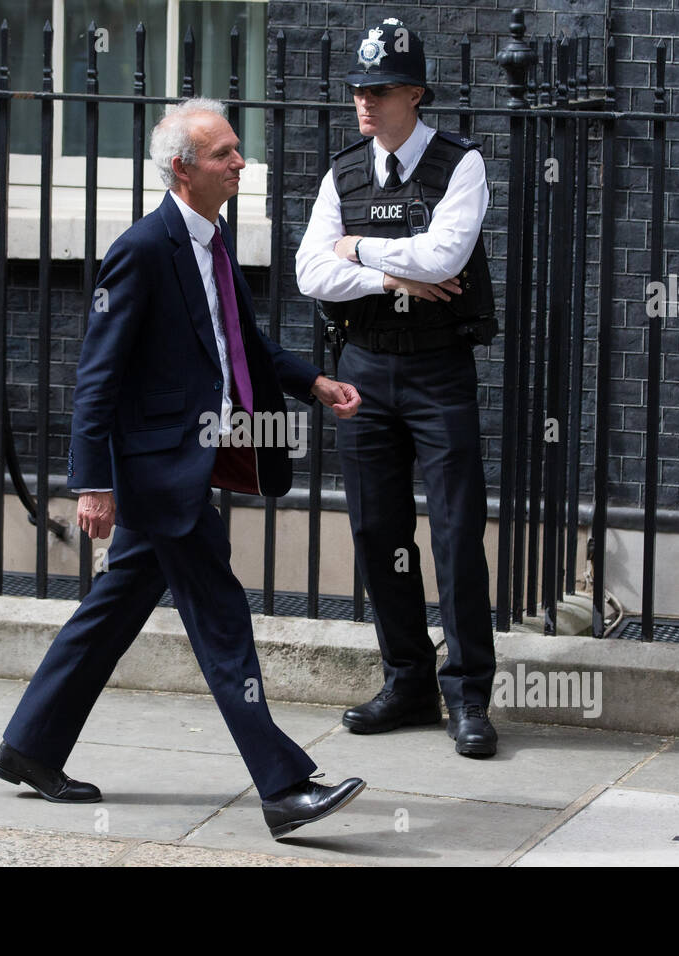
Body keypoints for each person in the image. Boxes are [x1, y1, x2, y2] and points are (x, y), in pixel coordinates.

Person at [0, 98, 367, 839]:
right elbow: (96, 377)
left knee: (114, 608)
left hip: (189, 459)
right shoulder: (142, 248)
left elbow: (239, 342)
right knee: (222, 620)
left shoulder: (213, 238)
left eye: (237, 150)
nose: (241, 162)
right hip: (160, 474)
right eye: (225, 153)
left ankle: (29, 747)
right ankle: (284, 786)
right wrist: (92, 483)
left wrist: (312, 383)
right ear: (183, 169)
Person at [294, 19, 499, 757]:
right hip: (364, 368)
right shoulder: (344, 171)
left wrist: (356, 246)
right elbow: (311, 271)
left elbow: (448, 253)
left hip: (439, 369)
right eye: (358, 89)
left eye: (379, 90)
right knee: (379, 532)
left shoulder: (461, 164)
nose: (364, 102)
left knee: (454, 533)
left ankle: (469, 696)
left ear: (414, 93)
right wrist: (387, 271)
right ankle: (408, 683)